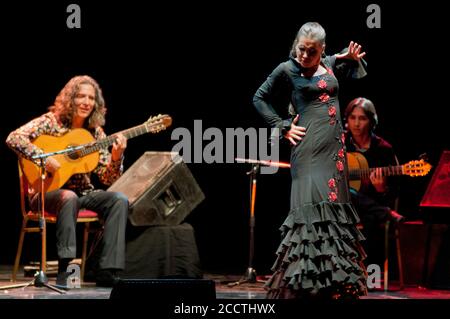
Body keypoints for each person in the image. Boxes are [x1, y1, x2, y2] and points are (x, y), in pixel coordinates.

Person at [253, 22, 368, 299]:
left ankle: (330, 287)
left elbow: (341, 64)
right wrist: (282, 126)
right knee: (311, 213)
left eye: (312, 51)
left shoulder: (328, 63)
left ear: (322, 50)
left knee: (333, 213)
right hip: (308, 151)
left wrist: (347, 57)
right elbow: (259, 97)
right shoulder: (287, 69)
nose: (305, 55)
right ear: (297, 45)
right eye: (302, 49)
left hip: (334, 154)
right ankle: (302, 288)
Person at [6, 75, 129, 288]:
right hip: (45, 193)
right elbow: (14, 138)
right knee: (68, 196)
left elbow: (107, 178)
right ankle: (66, 267)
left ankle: (107, 269)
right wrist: (43, 158)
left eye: (91, 98)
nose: (86, 102)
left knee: (118, 199)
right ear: (70, 99)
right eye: (80, 96)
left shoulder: (96, 133)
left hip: (82, 195)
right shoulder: (50, 122)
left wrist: (117, 158)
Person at [344, 97, 404, 265]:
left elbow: (395, 192)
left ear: (371, 121)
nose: (356, 123)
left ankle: (366, 273)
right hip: (341, 207)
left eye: (362, 118)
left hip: (369, 209)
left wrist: (382, 189)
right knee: (343, 190)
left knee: (371, 221)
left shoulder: (383, 149)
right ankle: (385, 213)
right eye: (352, 118)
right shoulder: (339, 145)